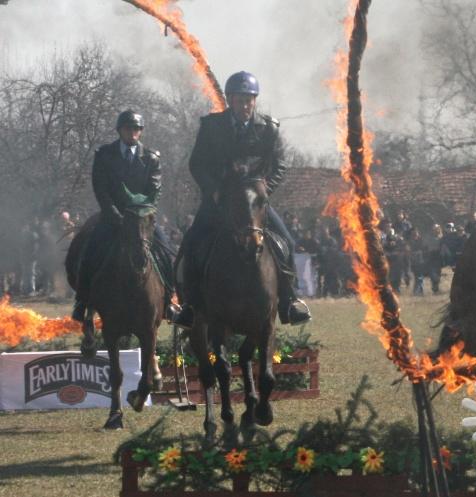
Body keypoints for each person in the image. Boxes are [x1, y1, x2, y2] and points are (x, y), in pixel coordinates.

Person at [173, 71, 310, 328]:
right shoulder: (212, 126)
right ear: (230, 100)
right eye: (240, 100)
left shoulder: (269, 128)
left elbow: (280, 164)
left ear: (254, 101)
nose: (245, 105)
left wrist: (265, 190)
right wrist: (212, 189)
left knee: (287, 243)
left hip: (255, 202)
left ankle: (289, 301)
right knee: (190, 243)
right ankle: (189, 304)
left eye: (249, 100)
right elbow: (197, 164)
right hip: (219, 201)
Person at [71, 110, 176, 321]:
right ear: (120, 130)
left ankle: (169, 302)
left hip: (142, 218)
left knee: (166, 252)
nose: (132, 132)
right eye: (128, 128)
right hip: (113, 217)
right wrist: (117, 217)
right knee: (90, 251)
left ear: (141, 132)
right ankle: (82, 300)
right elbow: (101, 189)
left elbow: (154, 190)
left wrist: (141, 215)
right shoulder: (104, 154)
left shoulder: (152, 158)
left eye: (137, 129)